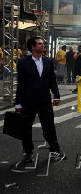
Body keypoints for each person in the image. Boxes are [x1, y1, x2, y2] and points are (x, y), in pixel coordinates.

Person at [14, 37, 66, 167]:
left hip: (44, 100)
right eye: (40, 44)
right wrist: (18, 102)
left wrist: (56, 95)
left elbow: (52, 80)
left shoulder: (48, 61)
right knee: (26, 128)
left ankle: (55, 150)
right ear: (32, 47)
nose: (43, 45)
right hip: (28, 101)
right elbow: (21, 84)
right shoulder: (23, 62)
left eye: (43, 43)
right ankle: (28, 153)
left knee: (49, 126)